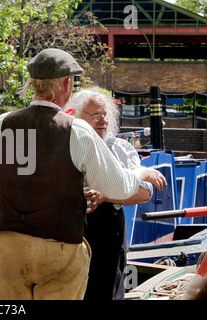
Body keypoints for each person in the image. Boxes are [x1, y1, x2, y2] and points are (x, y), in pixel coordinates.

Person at [0, 48, 167, 300]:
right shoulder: (77, 131)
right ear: (66, 84)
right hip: (60, 249)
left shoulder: (2, 124)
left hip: (11, 247)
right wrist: (141, 171)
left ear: (33, 83)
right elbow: (117, 188)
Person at [65, 88, 154, 300]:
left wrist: (106, 196)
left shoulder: (119, 148)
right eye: (96, 115)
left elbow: (145, 192)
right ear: (77, 117)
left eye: (105, 114)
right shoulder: (67, 146)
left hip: (107, 233)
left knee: (107, 289)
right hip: (70, 231)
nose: (103, 120)